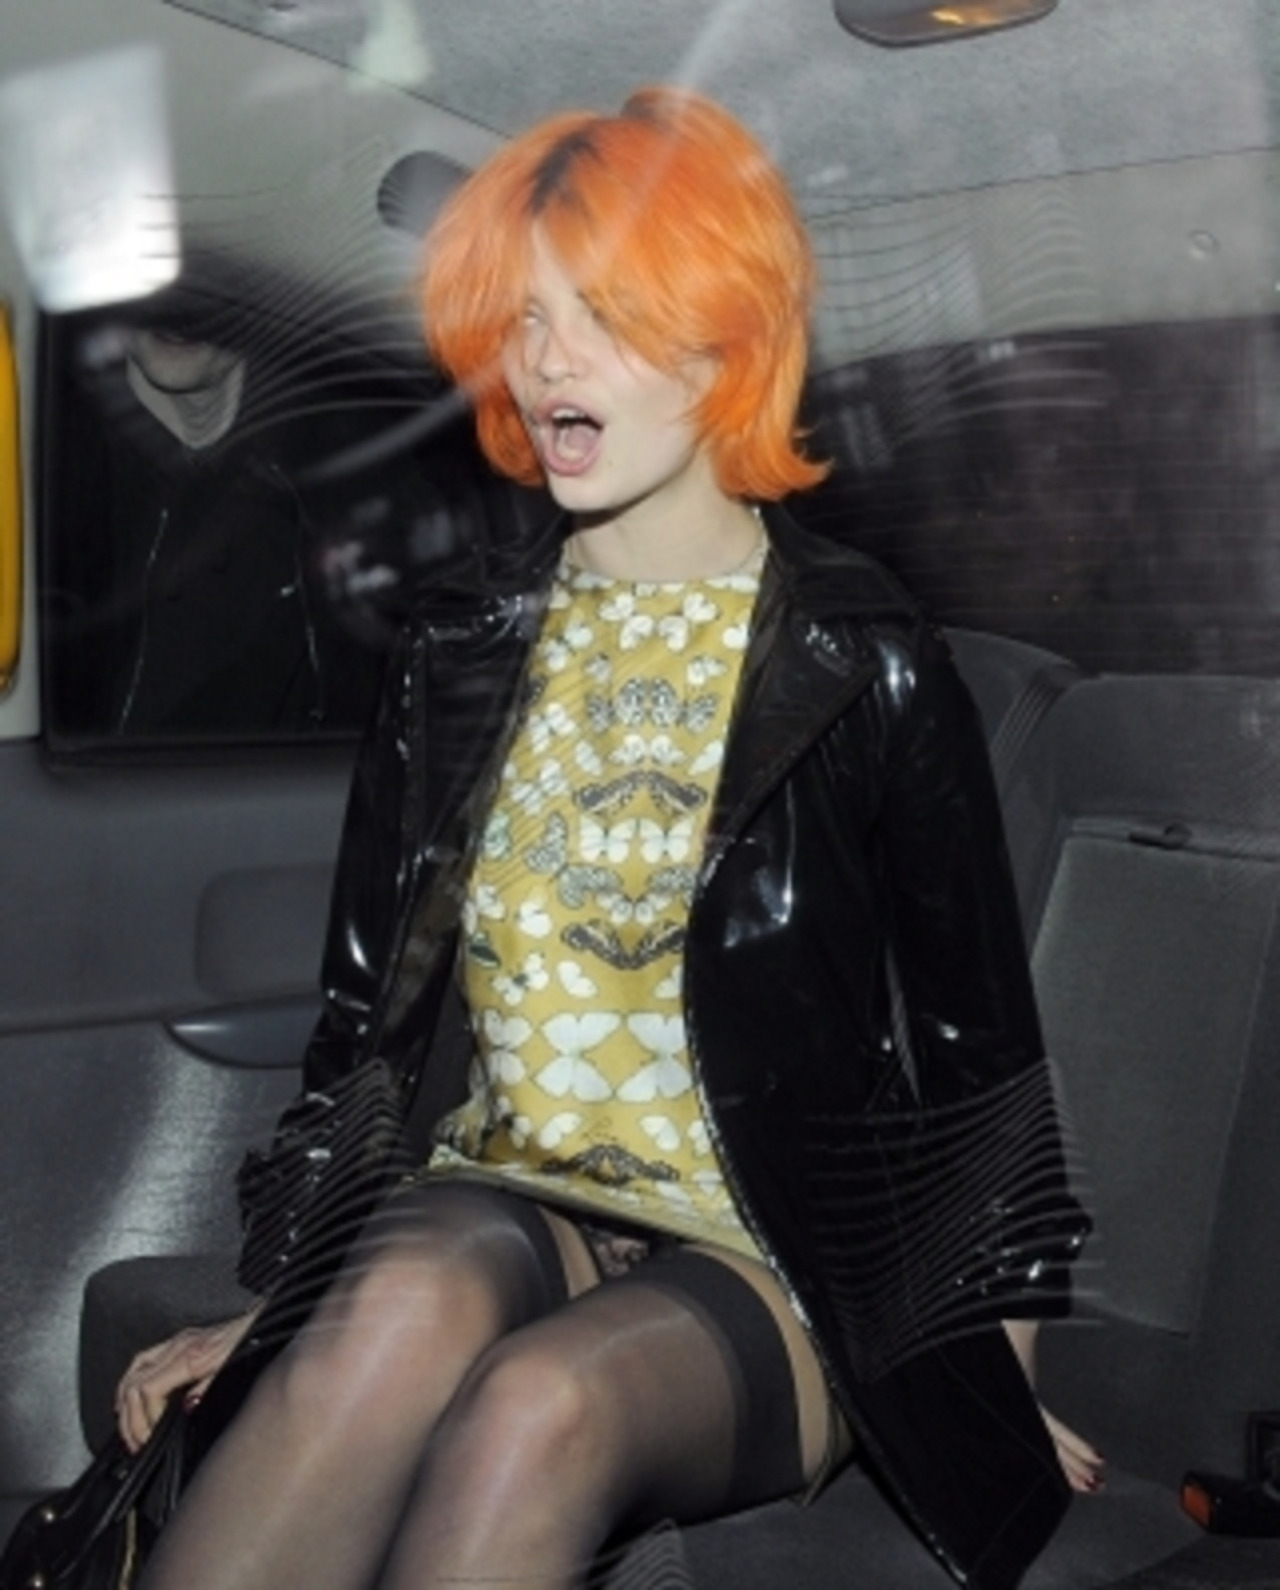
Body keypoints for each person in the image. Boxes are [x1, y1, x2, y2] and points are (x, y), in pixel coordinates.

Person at [116, 87, 1096, 1590]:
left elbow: (979, 1070)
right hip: (513, 1197)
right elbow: (364, 1036)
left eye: (607, 315)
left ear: (722, 343)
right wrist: (282, 1311)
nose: (548, 357)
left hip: (782, 1255)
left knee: (541, 1406)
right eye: (525, 314)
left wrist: (994, 1388)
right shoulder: (457, 646)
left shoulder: (866, 659)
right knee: (375, 1331)